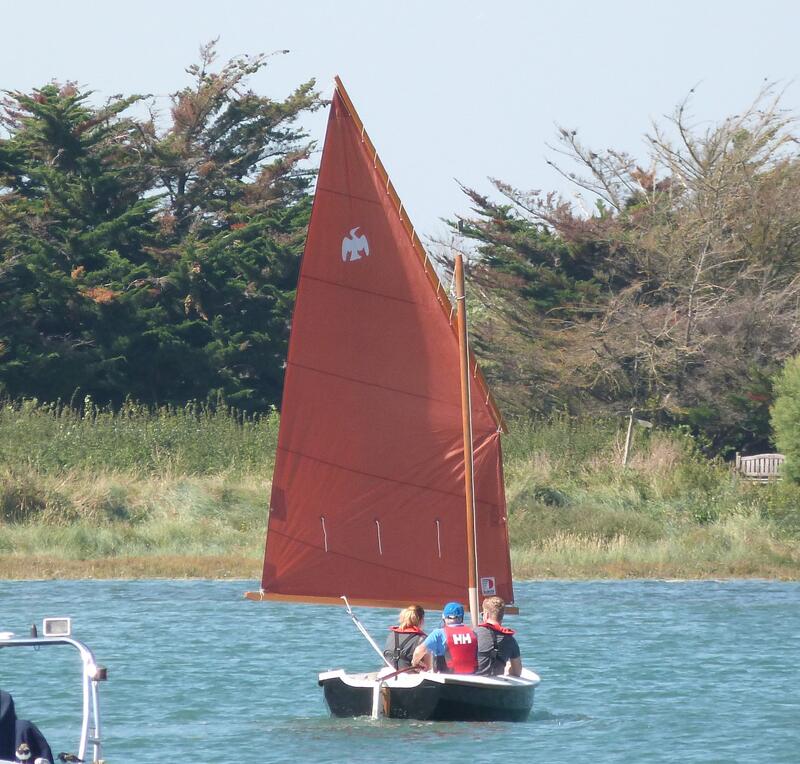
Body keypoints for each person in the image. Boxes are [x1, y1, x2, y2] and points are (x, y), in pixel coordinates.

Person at [411, 601, 477, 674]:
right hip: (471, 678)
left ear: (443, 617)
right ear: (461, 617)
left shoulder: (438, 633)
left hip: (446, 678)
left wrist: (415, 663)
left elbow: (419, 650)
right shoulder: (473, 633)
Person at [475, 596, 522, 676]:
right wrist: (510, 670)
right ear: (501, 616)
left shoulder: (474, 634)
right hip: (496, 683)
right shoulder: (510, 640)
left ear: (486, 615)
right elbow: (517, 672)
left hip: (473, 681)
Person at [383, 605, 426, 670]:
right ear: (421, 621)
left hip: (387, 674)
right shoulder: (421, 639)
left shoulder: (391, 635)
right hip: (408, 677)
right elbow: (428, 667)